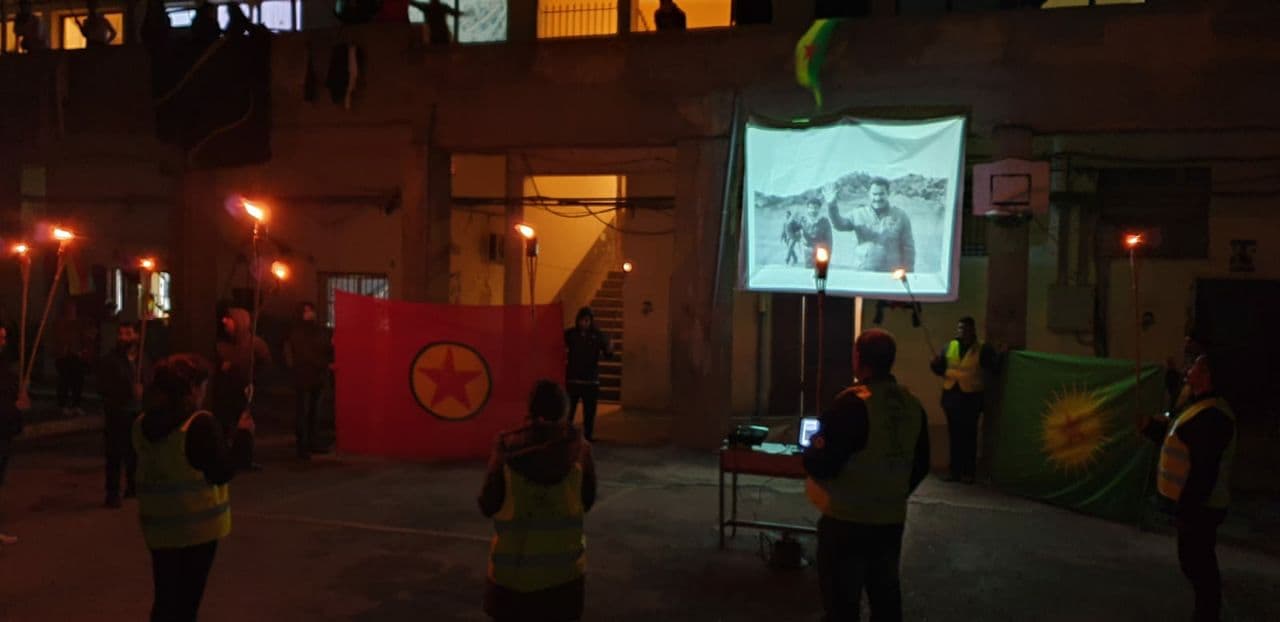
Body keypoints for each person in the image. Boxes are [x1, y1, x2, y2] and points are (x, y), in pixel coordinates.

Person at [804, 328, 930, 622]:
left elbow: (824, 462)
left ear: (858, 358)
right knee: (885, 598)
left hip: (847, 520)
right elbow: (921, 463)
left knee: (841, 603)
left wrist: (810, 456)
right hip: (890, 521)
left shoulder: (852, 403)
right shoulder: (912, 405)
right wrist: (893, 492)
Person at [134, 354, 253, 622]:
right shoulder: (198, 425)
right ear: (192, 388)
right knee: (186, 602)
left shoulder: (142, 424)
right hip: (197, 530)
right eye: (202, 386)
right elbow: (222, 471)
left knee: (165, 599)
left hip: (158, 528)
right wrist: (244, 436)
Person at [478, 380, 597, 622]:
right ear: (563, 409)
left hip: (511, 579)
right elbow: (587, 500)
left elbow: (487, 504)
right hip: (564, 578)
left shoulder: (505, 449)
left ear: (530, 409)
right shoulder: (580, 451)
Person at [1137, 353, 1236, 622]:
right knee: (1194, 561)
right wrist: (1150, 428)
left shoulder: (1213, 416)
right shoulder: (1196, 406)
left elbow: (1204, 470)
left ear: (1206, 376)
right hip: (1195, 505)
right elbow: (1177, 438)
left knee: (1199, 564)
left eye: (1194, 366)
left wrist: (1188, 510)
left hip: (1201, 507)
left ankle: (1207, 615)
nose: (1188, 369)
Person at [928, 317, 1001, 484]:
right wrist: (935, 364)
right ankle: (954, 471)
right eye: (960, 328)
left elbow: (993, 368)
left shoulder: (983, 348)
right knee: (954, 435)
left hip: (971, 397)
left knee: (969, 435)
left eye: (965, 328)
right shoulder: (949, 346)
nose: (962, 331)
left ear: (972, 329)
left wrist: (1001, 355)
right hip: (951, 395)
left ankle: (968, 472)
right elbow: (940, 369)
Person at [99, 322, 152, 508]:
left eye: (128, 334)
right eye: (121, 334)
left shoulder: (143, 359)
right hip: (117, 412)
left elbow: (149, 378)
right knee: (115, 454)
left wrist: (143, 388)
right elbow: (105, 386)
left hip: (137, 413)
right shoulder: (110, 361)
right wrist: (128, 390)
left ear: (137, 336)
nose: (123, 338)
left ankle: (132, 486)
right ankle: (112, 493)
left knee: (134, 452)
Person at [213, 307, 269, 470]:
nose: (225, 321)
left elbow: (265, 364)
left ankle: (244, 459)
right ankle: (224, 458)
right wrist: (221, 368)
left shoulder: (255, 344)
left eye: (229, 319)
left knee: (244, 426)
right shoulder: (220, 346)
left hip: (245, 391)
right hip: (225, 393)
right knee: (224, 426)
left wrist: (254, 380)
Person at [826, 178, 916, 273]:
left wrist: (908, 273)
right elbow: (840, 224)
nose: (877, 198)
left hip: (891, 274)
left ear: (888, 193)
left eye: (881, 194)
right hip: (863, 272)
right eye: (874, 194)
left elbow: (908, 248)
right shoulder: (858, 213)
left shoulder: (900, 216)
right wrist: (831, 205)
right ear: (869, 194)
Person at [284, 302, 333, 460]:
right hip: (303, 376)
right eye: (305, 311)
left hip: (317, 377)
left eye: (311, 310)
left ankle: (313, 442)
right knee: (303, 412)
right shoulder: (297, 332)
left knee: (314, 412)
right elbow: (304, 354)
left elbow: (326, 348)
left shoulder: (319, 331)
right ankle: (302, 446)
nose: (309, 313)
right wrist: (323, 363)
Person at [564, 307, 612, 442]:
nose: (584, 323)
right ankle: (566, 435)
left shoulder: (598, 335)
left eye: (587, 320)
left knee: (589, 412)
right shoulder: (571, 334)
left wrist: (609, 349)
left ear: (591, 321)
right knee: (569, 411)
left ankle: (587, 436)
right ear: (578, 320)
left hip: (590, 380)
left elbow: (608, 354)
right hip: (573, 379)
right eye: (582, 320)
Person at [0, 327, 25, 545]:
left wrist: (20, 401)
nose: (2, 341)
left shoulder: (6, 369)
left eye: (3, 337)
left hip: (4, 431)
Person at [54, 305, 92, 417]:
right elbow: (57, 339)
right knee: (64, 382)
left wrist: (83, 350)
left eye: (73, 309)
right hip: (64, 357)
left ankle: (76, 404)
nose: (72, 311)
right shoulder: (60, 323)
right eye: (69, 309)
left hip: (77, 357)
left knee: (78, 382)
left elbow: (87, 336)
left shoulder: (80, 323)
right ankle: (63, 405)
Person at [802, 196, 834, 268]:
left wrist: (828, 255)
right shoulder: (803, 221)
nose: (813, 210)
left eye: (816, 208)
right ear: (807, 209)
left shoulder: (824, 221)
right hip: (808, 252)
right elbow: (792, 231)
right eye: (811, 208)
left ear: (819, 209)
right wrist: (799, 237)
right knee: (808, 271)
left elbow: (829, 240)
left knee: (821, 272)